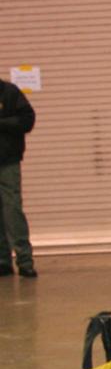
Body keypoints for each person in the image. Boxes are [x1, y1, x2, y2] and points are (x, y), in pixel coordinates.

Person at [0, 76, 37, 278]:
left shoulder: (10, 92)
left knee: (12, 208)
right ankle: (3, 261)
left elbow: (27, 120)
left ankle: (24, 260)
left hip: (7, 161)